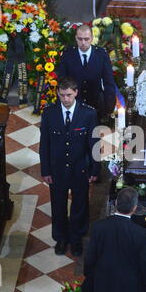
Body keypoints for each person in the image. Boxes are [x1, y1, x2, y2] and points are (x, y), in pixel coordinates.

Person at [39, 77, 100, 256]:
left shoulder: (88, 114)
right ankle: (61, 238)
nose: (65, 99)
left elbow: (94, 144)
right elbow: (45, 145)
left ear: (76, 93)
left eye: (68, 95)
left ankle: (76, 238)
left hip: (79, 168)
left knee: (80, 205)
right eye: (62, 95)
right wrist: (45, 170)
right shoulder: (49, 113)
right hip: (57, 170)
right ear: (58, 93)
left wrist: (95, 170)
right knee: (58, 205)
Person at [83, 187, 146, 292]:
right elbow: (144, 264)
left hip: (102, 284)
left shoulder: (98, 227)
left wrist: (89, 276)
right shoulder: (140, 233)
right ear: (134, 208)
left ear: (115, 203)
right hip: (129, 287)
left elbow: (90, 256)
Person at [57, 24, 116, 123]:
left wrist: (109, 108)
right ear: (76, 38)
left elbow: (108, 82)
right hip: (73, 104)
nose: (83, 43)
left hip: (96, 105)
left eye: (86, 39)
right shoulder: (68, 54)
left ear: (92, 38)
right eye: (80, 39)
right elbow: (61, 82)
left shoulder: (101, 55)